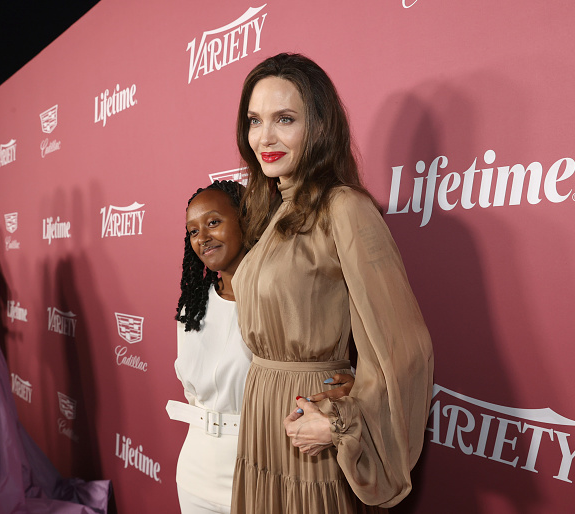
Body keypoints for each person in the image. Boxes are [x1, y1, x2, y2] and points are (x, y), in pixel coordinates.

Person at [230, 53, 434, 513]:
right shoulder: (271, 209)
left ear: (319, 125)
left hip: (309, 427)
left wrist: (344, 422)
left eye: (285, 119)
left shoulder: (344, 207)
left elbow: (403, 348)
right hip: (264, 416)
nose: (265, 137)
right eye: (254, 120)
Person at [166, 180, 354, 514]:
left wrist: (353, 385)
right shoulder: (191, 309)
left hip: (264, 462)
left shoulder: (282, 300)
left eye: (213, 222)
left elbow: (314, 369)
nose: (202, 238)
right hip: (196, 469)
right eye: (193, 231)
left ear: (246, 220)